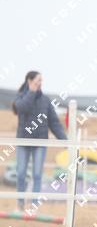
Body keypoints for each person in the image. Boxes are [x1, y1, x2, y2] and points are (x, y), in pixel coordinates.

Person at [12, 71, 68, 211]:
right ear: (29, 81)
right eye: (38, 80)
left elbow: (54, 123)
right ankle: (20, 203)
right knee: (21, 173)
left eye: (41, 81)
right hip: (23, 141)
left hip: (40, 142)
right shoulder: (20, 97)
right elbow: (21, 108)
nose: (40, 83)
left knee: (37, 174)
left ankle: (33, 205)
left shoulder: (45, 100)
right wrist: (31, 92)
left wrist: (65, 141)